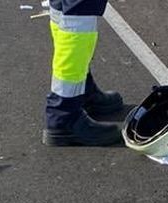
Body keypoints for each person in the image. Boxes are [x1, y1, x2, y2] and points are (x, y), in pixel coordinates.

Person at [42, 0, 125, 146]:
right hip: (64, 115)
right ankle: (65, 112)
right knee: (80, 16)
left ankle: (78, 92)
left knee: (65, 7)